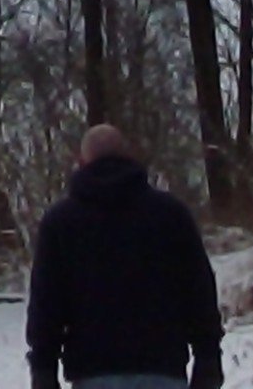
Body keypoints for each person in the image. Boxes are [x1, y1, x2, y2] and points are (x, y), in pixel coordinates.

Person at [24, 123, 224, 389]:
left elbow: (46, 302)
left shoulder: (61, 222)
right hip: (162, 369)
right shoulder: (171, 215)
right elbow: (199, 291)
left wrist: (43, 368)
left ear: (82, 161)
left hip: (93, 372)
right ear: (129, 157)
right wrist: (208, 358)